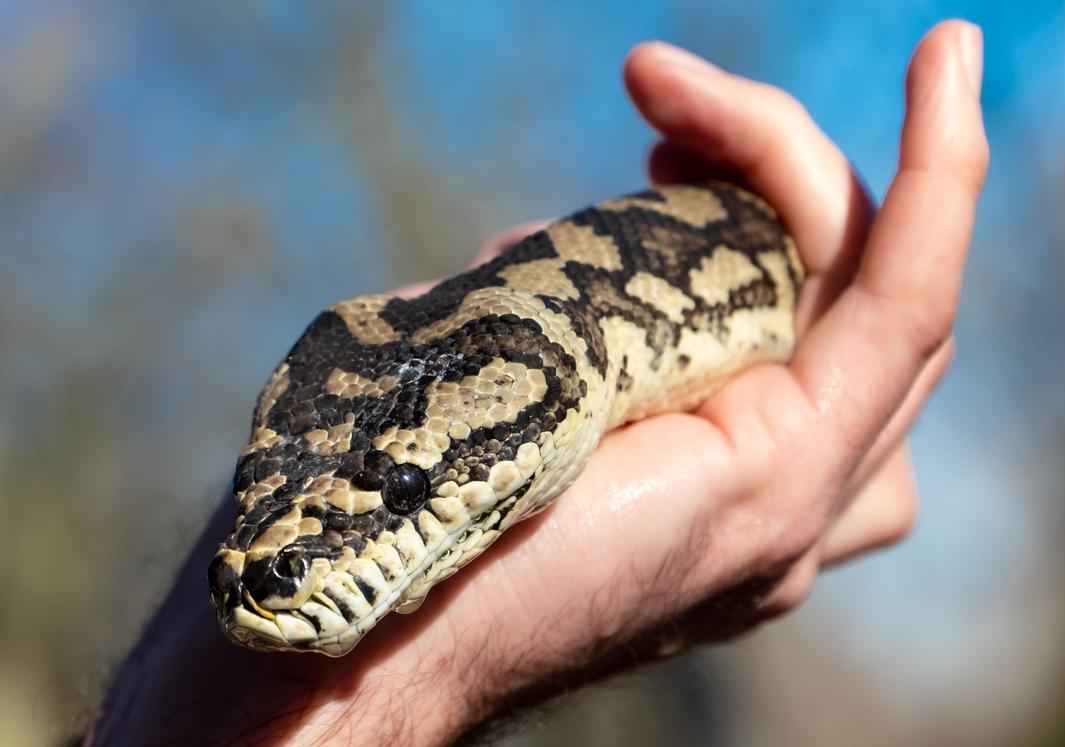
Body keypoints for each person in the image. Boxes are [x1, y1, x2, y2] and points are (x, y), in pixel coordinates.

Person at [87, 19, 988, 746]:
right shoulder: (504, 357)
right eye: (259, 478)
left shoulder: (550, 346)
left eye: (404, 490)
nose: (263, 571)